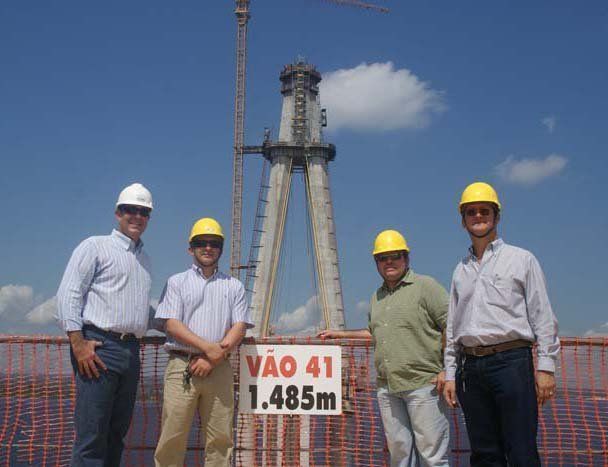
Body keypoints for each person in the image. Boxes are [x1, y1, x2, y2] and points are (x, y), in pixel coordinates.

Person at [443, 182, 560, 467]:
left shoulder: (521, 260)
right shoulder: (461, 269)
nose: (478, 216)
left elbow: (542, 315)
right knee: (484, 455)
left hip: (511, 364)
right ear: (463, 220)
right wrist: (450, 372)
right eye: (471, 212)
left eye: (485, 210)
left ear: (497, 216)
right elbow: (453, 327)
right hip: (470, 369)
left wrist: (546, 367)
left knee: (521, 451)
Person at [319, 230, 450, 467]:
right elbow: (375, 333)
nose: (389, 262)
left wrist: (446, 369)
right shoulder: (377, 297)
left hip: (424, 385)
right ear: (376, 263)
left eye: (395, 256)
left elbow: (452, 324)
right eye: (382, 258)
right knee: (400, 457)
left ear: (406, 258)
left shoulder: (426, 287)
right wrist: (339, 334)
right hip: (388, 388)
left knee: (432, 457)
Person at [56, 182, 154, 466]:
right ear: (117, 213)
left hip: (131, 352)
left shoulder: (144, 260)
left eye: (143, 211)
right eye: (130, 210)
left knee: (115, 435)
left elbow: (143, 313)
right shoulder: (95, 246)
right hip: (99, 349)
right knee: (92, 436)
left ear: (149, 218)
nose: (136, 216)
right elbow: (69, 293)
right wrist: (78, 344)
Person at [154, 217, 253, 467]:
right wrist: (209, 350)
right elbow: (171, 324)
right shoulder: (177, 282)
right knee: (172, 437)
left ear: (220, 248)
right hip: (181, 368)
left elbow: (239, 326)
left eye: (214, 243)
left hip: (219, 368)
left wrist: (212, 357)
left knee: (220, 439)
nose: (208, 248)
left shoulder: (234, 286)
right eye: (201, 243)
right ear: (190, 248)